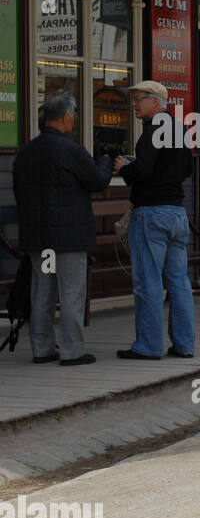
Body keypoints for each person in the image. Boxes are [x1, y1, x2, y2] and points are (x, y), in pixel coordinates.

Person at [12, 91, 114, 366]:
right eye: (74, 116)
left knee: (42, 293)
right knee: (71, 293)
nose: (75, 121)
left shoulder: (25, 153)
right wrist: (105, 161)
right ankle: (72, 351)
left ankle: (42, 348)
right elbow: (97, 182)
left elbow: (19, 193)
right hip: (68, 239)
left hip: (38, 238)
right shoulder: (72, 151)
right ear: (67, 117)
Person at [114, 81, 196, 361]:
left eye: (139, 99)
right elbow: (187, 168)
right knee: (179, 282)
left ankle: (148, 347)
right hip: (177, 213)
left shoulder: (152, 131)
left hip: (151, 213)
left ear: (156, 101)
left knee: (147, 282)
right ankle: (184, 344)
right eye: (134, 99)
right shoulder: (181, 129)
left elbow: (144, 171)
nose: (134, 104)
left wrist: (126, 168)